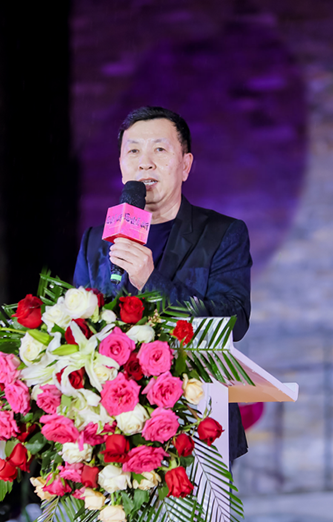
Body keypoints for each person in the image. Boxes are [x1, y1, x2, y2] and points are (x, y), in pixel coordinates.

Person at [73, 106, 252, 461]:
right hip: (109, 431)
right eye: (133, 151)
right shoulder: (97, 240)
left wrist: (151, 281)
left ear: (185, 165)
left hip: (194, 428)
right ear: (121, 165)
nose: (145, 163)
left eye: (159, 149)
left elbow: (232, 323)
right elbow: (77, 331)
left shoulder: (223, 234)